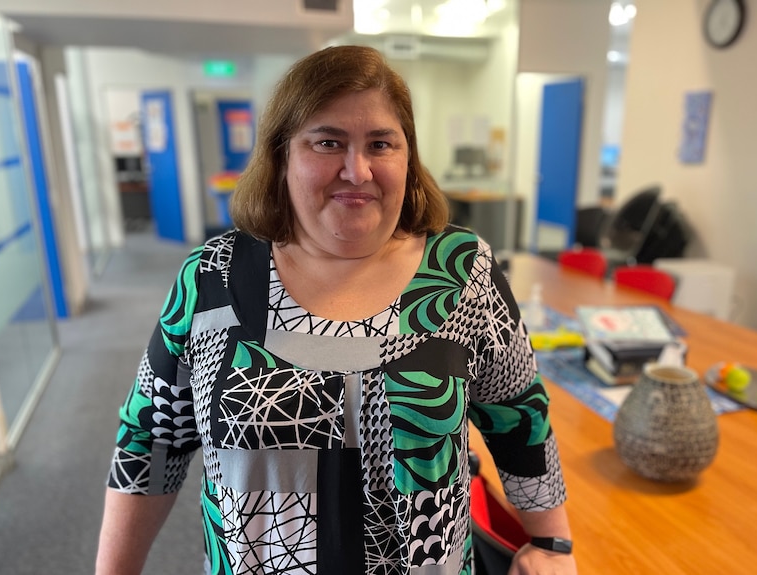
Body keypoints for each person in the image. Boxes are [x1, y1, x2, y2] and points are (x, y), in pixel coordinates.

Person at [96, 44, 577, 575]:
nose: (358, 170)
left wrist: (551, 543)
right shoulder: (212, 278)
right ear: (282, 155)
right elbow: (152, 439)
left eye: (381, 143)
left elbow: (519, 415)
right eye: (328, 142)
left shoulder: (463, 273)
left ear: (407, 157)